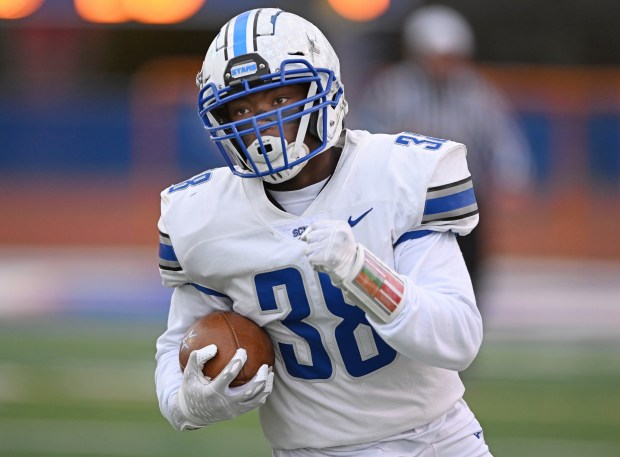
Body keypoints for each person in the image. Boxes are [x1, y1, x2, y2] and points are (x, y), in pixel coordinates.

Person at [155, 7, 492, 457]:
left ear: (323, 89)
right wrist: (186, 405)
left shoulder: (399, 173)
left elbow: (458, 340)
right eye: (243, 107)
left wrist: (362, 273)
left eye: (279, 101)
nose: (261, 123)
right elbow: (177, 345)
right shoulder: (203, 216)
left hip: (434, 441)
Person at [353, 5, 532, 296]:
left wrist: (511, 175)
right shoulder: (392, 90)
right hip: (408, 200)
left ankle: (466, 326)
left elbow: (500, 136)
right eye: (435, 57)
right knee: (407, 269)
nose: (442, 65)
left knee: (468, 269)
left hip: (466, 198)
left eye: (450, 57)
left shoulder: (477, 92)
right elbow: (369, 135)